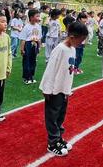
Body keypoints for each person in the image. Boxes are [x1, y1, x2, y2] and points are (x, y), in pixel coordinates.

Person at [40, 21, 89, 156]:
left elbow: (69, 70)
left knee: (60, 115)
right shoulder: (60, 49)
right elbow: (51, 69)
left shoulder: (72, 49)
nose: (82, 43)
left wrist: (68, 90)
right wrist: (47, 89)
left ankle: (58, 138)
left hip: (64, 89)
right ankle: (52, 143)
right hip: (54, 89)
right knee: (52, 116)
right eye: (81, 40)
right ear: (72, 37)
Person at [20, 9, 41, 84]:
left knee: (33, 61)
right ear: (31, 17)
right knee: (26, 61)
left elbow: (39, 38)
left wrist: (39, 47)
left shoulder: (38, 26)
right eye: (37, 16)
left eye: (39, 16)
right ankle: (26, 77)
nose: (39, 17)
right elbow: (23, 39)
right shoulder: (26, 27)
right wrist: (22, 49)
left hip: (35, 44)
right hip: (28, 44)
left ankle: (31, 76)